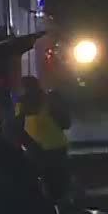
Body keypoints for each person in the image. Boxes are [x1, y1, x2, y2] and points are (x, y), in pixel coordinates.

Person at [15, 75, 71, 207]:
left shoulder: (21, 106)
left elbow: (17, 130)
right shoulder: (49, 101)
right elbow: (66, 123)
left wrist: (29, 145)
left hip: (36, 153)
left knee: (41, 190)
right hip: (55, 149)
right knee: (58, 189)